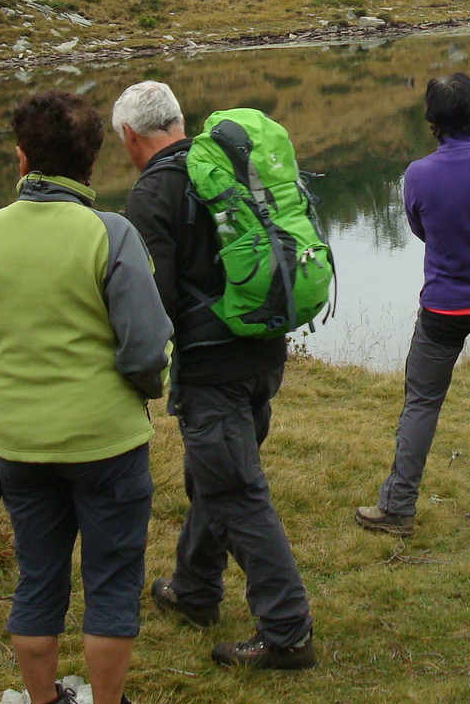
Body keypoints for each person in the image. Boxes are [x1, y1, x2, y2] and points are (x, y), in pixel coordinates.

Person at [0, 91, 171, 704]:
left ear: (21, 159)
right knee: (112, 582)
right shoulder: (111, 234)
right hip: (108, 442)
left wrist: (7, 388)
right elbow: (146, 348)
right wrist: (143, 390)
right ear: (91, 163)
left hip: (20, 444)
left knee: (37, 577)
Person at [111, 79, 317, 671]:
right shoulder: (224, 166)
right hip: (264, 351)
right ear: (178, 121)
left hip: (212, 367)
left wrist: (136, 368)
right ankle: (195, 589)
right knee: (216, 477)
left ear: (130, 135)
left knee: (234, 491)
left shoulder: (154, 193)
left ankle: (287, 632)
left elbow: (156, 301)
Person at [355, 72, 470, 537]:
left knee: (421, 404)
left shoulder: (418, 174)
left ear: (432, 122)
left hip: (443, 310)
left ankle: (397, 508)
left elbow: (422, 231)